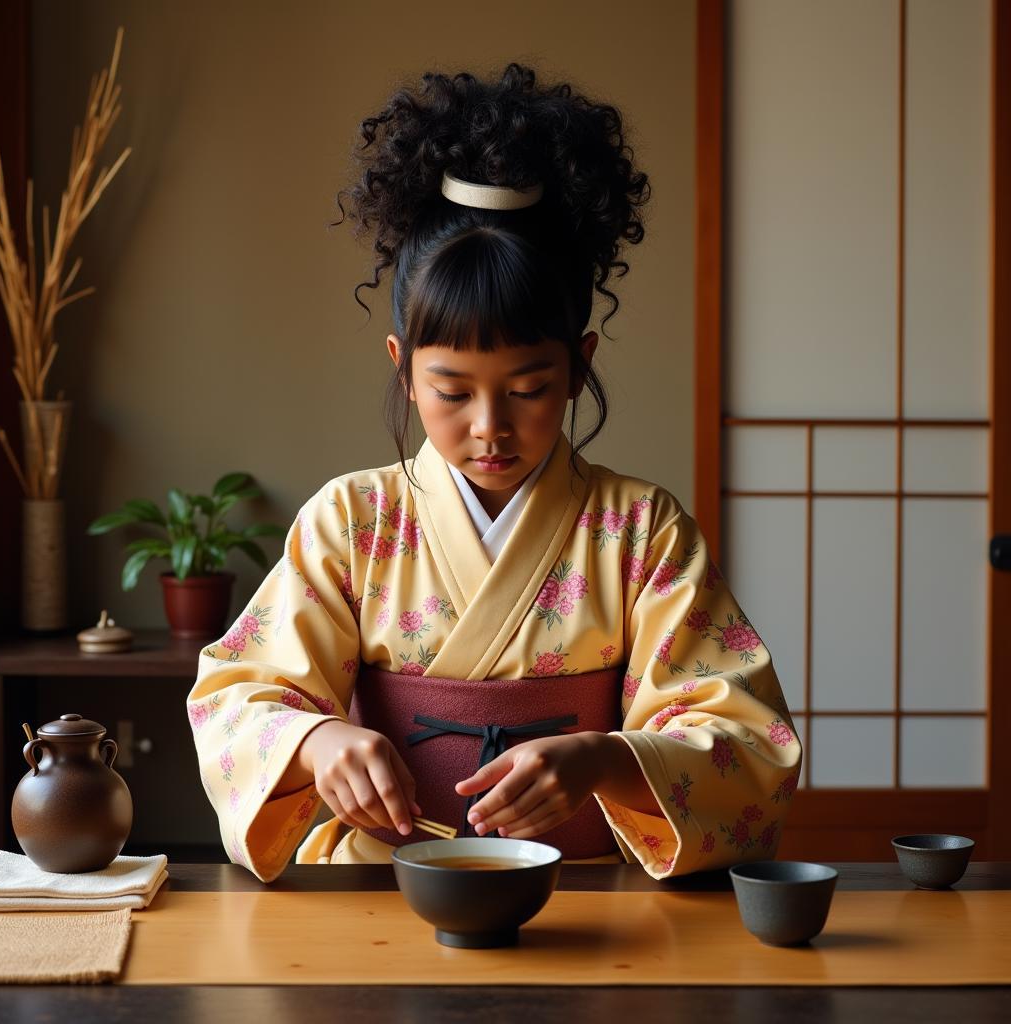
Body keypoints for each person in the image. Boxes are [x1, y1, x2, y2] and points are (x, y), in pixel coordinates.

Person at [186, 63, 802, 883]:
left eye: (528, 389)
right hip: (379, 879)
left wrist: (604, 760)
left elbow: (743, 737)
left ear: (579, 367)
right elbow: (236, 696)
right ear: (404, 370)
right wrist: (315, 739)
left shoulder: (641, 530)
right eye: (450, 391)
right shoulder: (353, 521)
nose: (489, 427)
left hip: (579, 887)